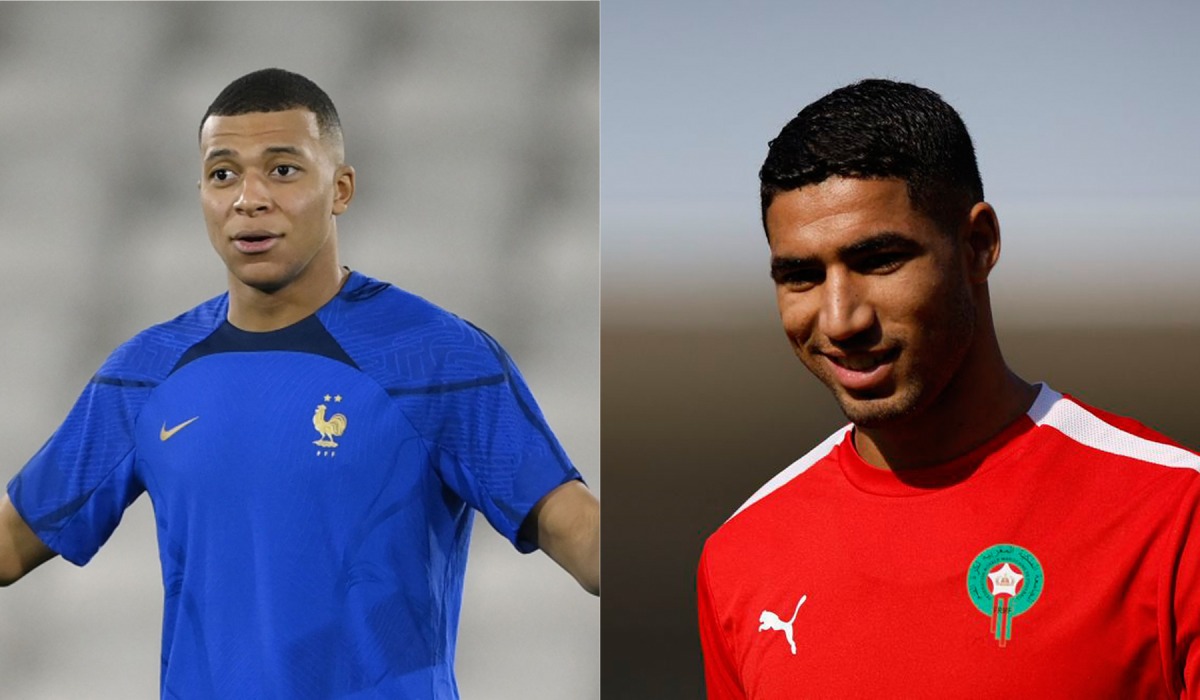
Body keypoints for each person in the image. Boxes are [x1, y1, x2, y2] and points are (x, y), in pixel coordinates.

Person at [0, 67, 599, 699]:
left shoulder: (434, 359)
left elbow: (579, 534)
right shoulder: (145, 374)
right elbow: (12, 543)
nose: (248, 198)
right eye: (222, 173)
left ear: (340, 188)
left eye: (282, 169)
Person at [697, 79, 1199, 697]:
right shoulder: (740, 555)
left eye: (879, 260)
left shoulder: (1174, 517)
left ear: (978, 246)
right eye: (800, 275)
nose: (839, 319)